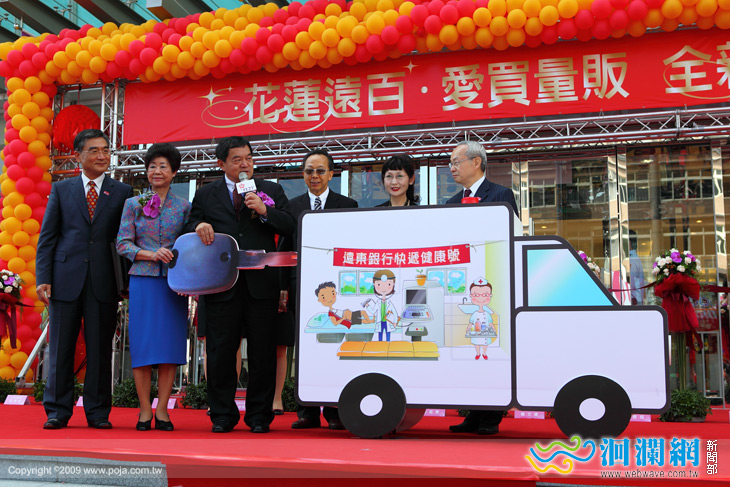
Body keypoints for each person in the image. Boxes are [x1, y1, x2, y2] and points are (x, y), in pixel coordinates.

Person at [186, 136, 294, 434]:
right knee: (221, 350)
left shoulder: (270, 190)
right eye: (237, 159)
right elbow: (189, 224)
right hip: (221, 283)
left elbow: (290, 224)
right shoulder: (206, 194)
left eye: (248, 158)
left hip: (262, 284)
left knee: (262, 351)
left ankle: (259, 416)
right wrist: (198, 226)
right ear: (221, 163)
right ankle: (222, 414)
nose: (244, 164)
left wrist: (264, 210)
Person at [36, 129, 133, 430]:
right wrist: (43, 277)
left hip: (104, 280)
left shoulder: (122, 191)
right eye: (94, 150)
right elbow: (48, 237)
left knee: (100, 349)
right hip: (65, 278)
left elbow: (126, 237)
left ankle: (98, 412)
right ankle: (57, 411)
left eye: (105, 150)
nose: (102, 156)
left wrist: (127, 281)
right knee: (60, 348)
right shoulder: (62, 190)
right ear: (78, 155)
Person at [116, 143, 191, 431]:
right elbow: (123, 243)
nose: (157, 171)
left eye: (163, 166)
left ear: (174, 172)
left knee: (169, 347)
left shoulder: (184, 207)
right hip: (143, 281)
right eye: (152, 166)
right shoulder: (133, 204)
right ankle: (144, 410)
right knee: (144, 346)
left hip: (173, 284)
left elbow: (189, 246)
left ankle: (163, 410)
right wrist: (150, 254)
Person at [446, 140, 518, 436]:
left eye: (456, 162)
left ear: (476, 162)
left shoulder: (501, 195)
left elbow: (511, 235)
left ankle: (491, 416)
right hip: (462, 285)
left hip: (494, 285)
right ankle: (473, 413)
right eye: (450, 163)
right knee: (469, 349)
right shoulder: (451, 203)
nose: (452, 168)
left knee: (491, 348)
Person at [285, 148, 357, 430]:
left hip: (337, 289)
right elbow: (285, 249)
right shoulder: (291, 207)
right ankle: (307, 411)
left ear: (331, 174)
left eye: (319, 171)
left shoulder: (348, 205)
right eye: (308, 171)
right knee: (305, 347)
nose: (314, 176)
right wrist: (283, 288)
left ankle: (335, 410)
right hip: (300, 287)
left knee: (335, 346)